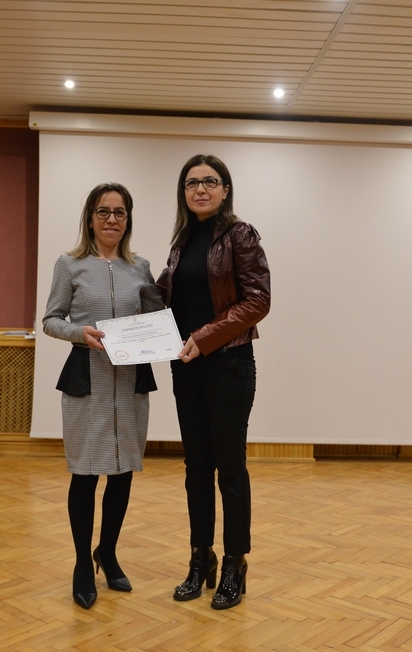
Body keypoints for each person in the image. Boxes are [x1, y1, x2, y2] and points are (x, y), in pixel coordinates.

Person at [157, 154, 270, 610]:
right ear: (183, 192)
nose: (200, 189)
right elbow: (164, 297)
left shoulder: (240, 235)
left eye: (209, 181)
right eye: (191, 183)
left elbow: (258, 301)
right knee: (196, 468)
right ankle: (199, 558)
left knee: (230, 468)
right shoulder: (182, 241)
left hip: (228, 366)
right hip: (187, 369)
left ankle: (234, 564)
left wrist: (203, 338)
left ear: (225, 190)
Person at [42, 182, 162, 610]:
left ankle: (107, 553)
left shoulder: (141, 268)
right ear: (90, 219)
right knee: (86, 473)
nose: (112, 219)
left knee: (123, 471)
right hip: (87, 381)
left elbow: (154, 319)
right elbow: (51, 320)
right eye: (103, 211)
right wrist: (81, 332)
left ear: (128, 220)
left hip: (130, 383)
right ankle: (81, 563)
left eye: (119, 212)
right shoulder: (69, 264)